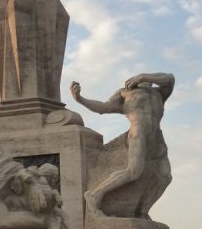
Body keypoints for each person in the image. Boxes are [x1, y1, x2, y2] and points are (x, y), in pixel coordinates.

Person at [70, 72, 175, 218]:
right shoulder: (125, 93)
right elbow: (103, 108)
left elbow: (169, 78)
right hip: (139, 132)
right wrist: (80, 99)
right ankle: (95, 195)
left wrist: (144, 77)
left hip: (156, 136)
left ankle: (142, 212)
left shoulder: (160, 92)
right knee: (133, 172)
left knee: (165, 177)